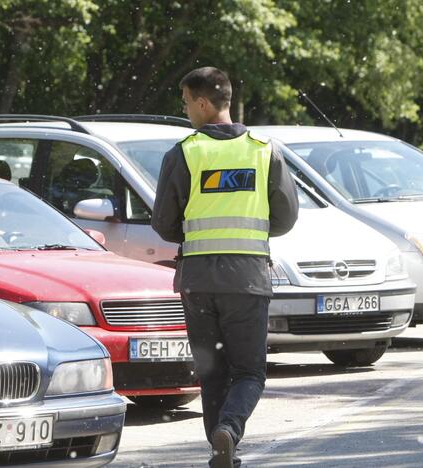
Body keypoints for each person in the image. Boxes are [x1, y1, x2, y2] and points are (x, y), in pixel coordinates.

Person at [152, 67, 299, 467]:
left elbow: (164, 224)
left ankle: (221, 451)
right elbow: (285, 219)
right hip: (247, 281)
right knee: (249, 373)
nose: (185, 111)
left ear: (203, 102)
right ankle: (229, 431)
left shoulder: (184, 152)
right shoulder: (263, 150)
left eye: (186, 103)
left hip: (198, 282)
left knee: (212, 372)